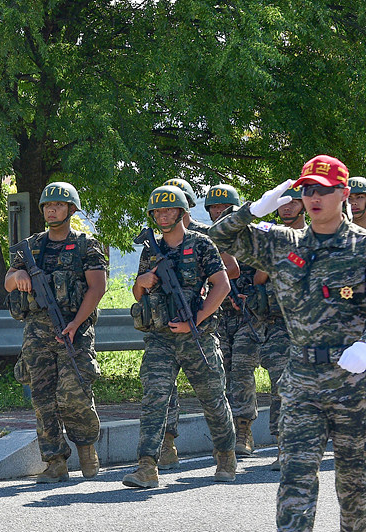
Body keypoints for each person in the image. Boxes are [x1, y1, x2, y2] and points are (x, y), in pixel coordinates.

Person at [209, 155, 366, 531]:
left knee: (355, 489)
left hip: (354, 387)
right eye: (308, 190)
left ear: (343, 194)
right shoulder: (282, 243)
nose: (314, 198)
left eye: (323, 191)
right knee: (295, 479)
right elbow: (215, 238)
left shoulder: (362, 248)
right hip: (301, 383)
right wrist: (252, 210)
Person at [123, 185, 236, 488]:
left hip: (195, 335)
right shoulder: (151, 249)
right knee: (154, 398)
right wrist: (142, 281)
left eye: (169, 210)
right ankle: (147, 466)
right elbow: (138, 293)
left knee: (212, 398)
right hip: (160, 337)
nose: (162, 216)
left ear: (182, 213)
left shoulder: (201, 244)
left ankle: (226, 455)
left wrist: (196, 321)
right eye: (158, 211)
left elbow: (221, 285)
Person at [5, 181, 106, 483]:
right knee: (43, 399)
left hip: (74, 329)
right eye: (48, 205)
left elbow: (97, 287)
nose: (52, 209)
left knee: (73, 395)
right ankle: (55, 461)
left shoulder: (87, 245)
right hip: (37, 332)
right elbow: (8, 280)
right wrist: (18, 274)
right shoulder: (32, 245)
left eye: (59, 205)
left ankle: (86, 445)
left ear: (71, 209)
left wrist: (76, 324)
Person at [156, 178, 239, 469]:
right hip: (166, 325)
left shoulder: (205, 236)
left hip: (201, 321)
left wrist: (199, 291)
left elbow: (230, 271)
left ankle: (226, 452)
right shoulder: (157, 242)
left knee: (211, 392)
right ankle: (166, 444)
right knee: (162, 391)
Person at [205, 184, 262, 457]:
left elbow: (264, 268)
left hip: (248, 315)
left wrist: (248, 294)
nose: (218, 212)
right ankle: (225, 435)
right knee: (221, 372)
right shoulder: (205, 239)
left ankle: (243, 430)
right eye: (214, 208)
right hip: (218, 316)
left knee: (241, 370)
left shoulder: (249, 237)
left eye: (223, 208)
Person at [250, 184, 303, 470]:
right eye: (282, 203)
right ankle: (284, 447)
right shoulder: (275, 237)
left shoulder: (313, 236)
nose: (287, 208)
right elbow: (259, 278)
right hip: (279, 325)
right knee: (281, 385)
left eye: (293, 203)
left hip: (313, 326)